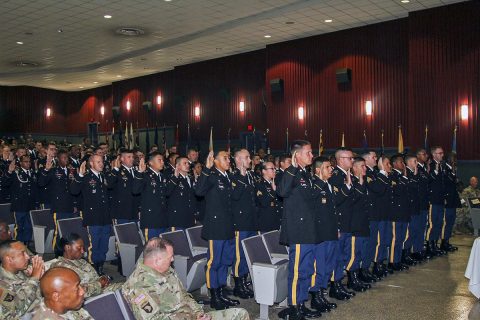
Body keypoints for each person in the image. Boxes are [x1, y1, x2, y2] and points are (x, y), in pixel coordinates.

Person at [122, 237, 249, 320]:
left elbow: (185, 296)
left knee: (240, 314)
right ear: (157, 260)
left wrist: (198, 313)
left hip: (192, 316)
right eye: (170, 256)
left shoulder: (168, 271)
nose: (173, 259)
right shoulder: (137, 286)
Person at [277, 140, 321, 320]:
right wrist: (293, 168)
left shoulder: (306, 174)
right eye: (309, 153)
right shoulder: (291, 173)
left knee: (307, 269)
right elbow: (281, 191)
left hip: (309, 230)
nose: (312, 155)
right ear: (298, 155)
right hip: (298, 231)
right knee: (297, 272)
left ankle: (301, 303)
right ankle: (294, 306)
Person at [195, 150, 239, 310]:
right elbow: (199, 191)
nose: (229, 160)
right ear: (215, 161)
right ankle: (214, 296)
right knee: (214, 262)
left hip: (227, 226)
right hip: (215, 227)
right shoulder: (212, 176)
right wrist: (206, 169)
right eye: (225, 158)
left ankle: (220, 293)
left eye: (229, 158)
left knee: (224, 262)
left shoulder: (226, 177)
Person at [308, 157, 340, 311]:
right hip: (320, 235)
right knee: (318, 267)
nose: (331, 169)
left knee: (328, 265)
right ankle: (315, 296)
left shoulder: (328, 185)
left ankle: (322, 292)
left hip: (331, 232)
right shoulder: (314, 186)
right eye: (328, 167)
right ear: (318, 170)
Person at [70, 155, 111, 275]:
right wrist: (80, 175)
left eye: (102, 161)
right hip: (93, 218)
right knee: (94, 245)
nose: (101, 164)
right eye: (98, 162)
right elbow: (74, 190)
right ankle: (93, 271)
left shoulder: (103, 176)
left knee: (104, 245)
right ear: (91, 164)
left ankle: (100, 269)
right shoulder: (86, 177)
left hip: (105, 217)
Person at [48, 233, 122, 298]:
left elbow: (94, 277)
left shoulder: (81, 261)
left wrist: (103, 279)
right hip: (94, 298)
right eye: (79, 248)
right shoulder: (60, 268)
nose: (83, 251)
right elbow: (76, 292)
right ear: (67, 247)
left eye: (83, 248)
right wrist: (99, 284)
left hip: (103, 290)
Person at [328, 148, 356, 297]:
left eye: (352, 158)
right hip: (339, 223)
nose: (352, 160)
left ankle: (339, 283)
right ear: (340, 160)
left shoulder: (346, 175)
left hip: (347, 222)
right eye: (349, 158)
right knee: (336, 257)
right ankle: (334, 286)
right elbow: (335, 201)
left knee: (343, 256)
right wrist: (347, 186)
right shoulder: (336, 176)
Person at [38, 149, 78, 252]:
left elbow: (72, 189)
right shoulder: (53, 171)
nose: (66, 159)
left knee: (68, 230)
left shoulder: (70, 171)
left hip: (69, 205)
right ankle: (57, 252)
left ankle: (66, 251)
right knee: (58, 231)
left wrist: (74, 204)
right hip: (58, 206)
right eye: (63, 158)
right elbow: (41, 183)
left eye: (67, 158)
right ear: (58, 159)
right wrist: (46, 170)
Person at [231, 149, 257, 299]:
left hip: (251, 222)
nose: (249, 160)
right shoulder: (234, 176)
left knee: (247, 254)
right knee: (239, 255)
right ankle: (238, 284)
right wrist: (241, 177)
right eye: (246, 157)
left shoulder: (250, 175)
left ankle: (244, 281)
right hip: (240, 223)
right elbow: (235, 196)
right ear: (238, 160)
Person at [346, 157, 372, 291]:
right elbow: (353, 200)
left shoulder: (364, 182)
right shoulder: (351, 182)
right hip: (355, 224)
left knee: (362, 250)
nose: (365, 169)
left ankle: (359, 274)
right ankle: (352, 279)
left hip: (364, 222)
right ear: (354, 168)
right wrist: (360, 186)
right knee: (353, 253)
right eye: (362, 166)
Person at [0, 240, 44, 317]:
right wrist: (34, 278)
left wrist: (38, 278)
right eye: (23, 253)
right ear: (9, 259)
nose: (28, 257)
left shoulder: (20, 271)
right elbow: (17, 307)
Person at [133, 152, 169, 239]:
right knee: (151, 248)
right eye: (159, 160)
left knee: (162, 248)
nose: (162, 162)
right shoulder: (145, 175)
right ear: (151, 163)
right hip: (151, 220)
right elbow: (135, 190)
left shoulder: (163, 176)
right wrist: (139, 172)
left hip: (163, 218)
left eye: (163, 160)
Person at [4, 154, 38, 244]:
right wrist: (9, 172)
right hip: (19, 206)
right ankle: (17, 244)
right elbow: (5, 183)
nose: (28, 163)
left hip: (30, 205)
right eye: (25, 161)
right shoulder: (16, 173)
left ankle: (26, 245)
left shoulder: (32, 173)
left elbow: (35, 189)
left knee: (28, 226)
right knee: (19, 227)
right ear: (21, 163)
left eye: (29, 161)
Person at [107, 149, 140, 224]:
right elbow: (109, 184)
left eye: (132, 157)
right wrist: (115, 168)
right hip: (122, 211)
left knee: (135, 234)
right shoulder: (117, 171)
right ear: (122, 159)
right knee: (123, 234)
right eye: (129, 157)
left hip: (134, 209)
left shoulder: (136, 171)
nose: (132, 159)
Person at [426, 146, 447, 257]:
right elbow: (428, 180)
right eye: (440, 153)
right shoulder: (430, 165)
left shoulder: (442, 166)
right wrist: (434, 170)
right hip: (433, 199)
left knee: (439, 223)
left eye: (442, 153)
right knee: (432, 224)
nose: (442, 155)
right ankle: (429, 246)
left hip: (440, 199)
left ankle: (435, 244)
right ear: (434, 154)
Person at [166, 156, 196, 230]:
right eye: (184, 163)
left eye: (188, 163)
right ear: (178, 165)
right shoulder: (173, 178)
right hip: (177, 219)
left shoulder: (190, 179)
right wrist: (175, 176)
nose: (187, 165)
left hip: (189, 217)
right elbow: (167, 192)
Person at [441, 153, 461, 252]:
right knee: (447, 222)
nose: (455, 161)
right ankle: (443, 243)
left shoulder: (452, 170)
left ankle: (447, 241)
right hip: (447, 200)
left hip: (453, 200)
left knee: (451, 222)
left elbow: (457, 182)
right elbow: (448, 182)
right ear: (449, 159)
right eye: (453, 158)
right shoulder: (444, 169)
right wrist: (453, 173)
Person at [255, 161, 281, 232]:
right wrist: (273, 191)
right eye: (272, 169)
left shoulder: (275, 182)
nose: (274, 170)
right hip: (265, 223)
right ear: (264, 171)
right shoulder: (259, 184)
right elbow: (263, 202)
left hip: (275, 221)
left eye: (274, 168)